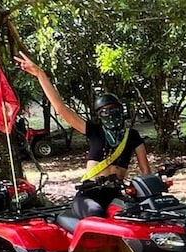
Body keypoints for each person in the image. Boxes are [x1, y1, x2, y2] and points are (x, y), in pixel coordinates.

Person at [14, 52, 153, 217]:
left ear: (121, 111)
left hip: (116, 194)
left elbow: (146, 171)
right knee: (97, 217)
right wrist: (40, 74)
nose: (109, 114)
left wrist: (152, 188)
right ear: (99, 115)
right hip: (89, 194)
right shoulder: (94, 131)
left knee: (136, 219)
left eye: (113, 110)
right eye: (104, 112)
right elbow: (61, 109)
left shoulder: (133, 136)